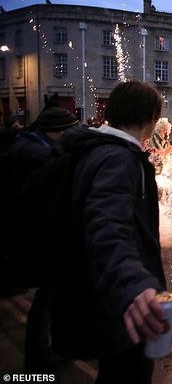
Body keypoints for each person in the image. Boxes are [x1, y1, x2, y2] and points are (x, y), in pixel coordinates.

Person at [48, 80, 168, 383]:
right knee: (129, 372)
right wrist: (133, 282)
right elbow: (107, 224)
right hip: (122, 297)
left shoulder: (99, 150)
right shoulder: (118, 158)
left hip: (102, 288)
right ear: (152, 117)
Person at [4, 106, 79, 372]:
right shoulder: (38, 153)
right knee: (46, 297)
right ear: (59, 133)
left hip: (25, 233)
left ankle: (42, 351)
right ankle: (37, 360)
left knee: (47, 296)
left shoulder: (25, 143)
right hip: (35, 236)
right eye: (70, 132)